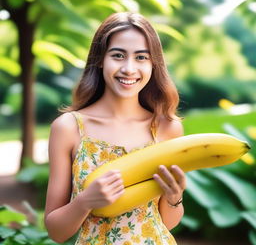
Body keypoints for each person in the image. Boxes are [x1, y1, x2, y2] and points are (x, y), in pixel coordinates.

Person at [44, 12, 186, 245]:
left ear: (153, 64)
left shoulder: (167, 127)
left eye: (141, 57)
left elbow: (165, 222)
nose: (129, 68)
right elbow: (56, 232)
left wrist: (175, 198)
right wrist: (85, 202)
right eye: (118, 55)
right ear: (100, 59)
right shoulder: (68, 128)